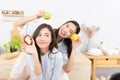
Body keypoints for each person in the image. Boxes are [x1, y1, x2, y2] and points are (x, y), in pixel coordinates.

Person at [14, 10, 82, 79]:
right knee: (24, 56)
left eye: (70, 31)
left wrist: (74, 48)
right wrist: (36, 16)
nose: (65, 30)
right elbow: (17, 24)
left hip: (49, 72)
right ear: (63, 24)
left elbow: (66, 70)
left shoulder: (64, 47)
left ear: (71, 36)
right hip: (36, 66)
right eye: (67, 26)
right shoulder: (45, 31)